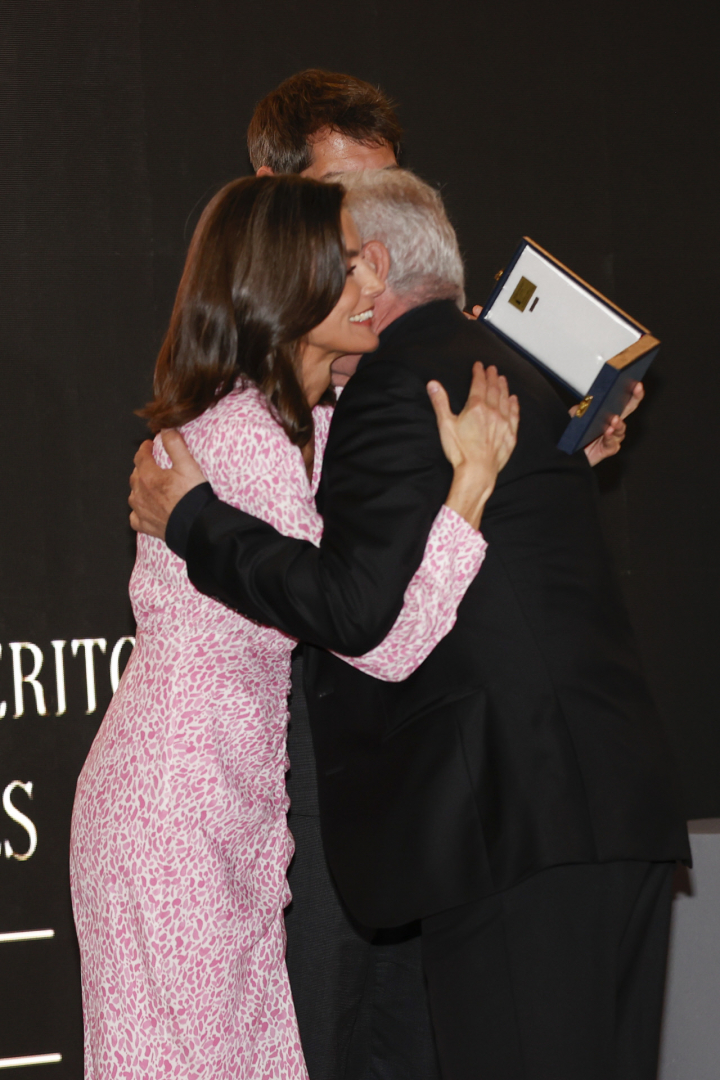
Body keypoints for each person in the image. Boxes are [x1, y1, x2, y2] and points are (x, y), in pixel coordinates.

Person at [129, 167, 690, 1080]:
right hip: (609, 810)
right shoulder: (513, 379)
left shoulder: (397, 386)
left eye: (350, 259)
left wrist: (193, 519)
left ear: (374, 266)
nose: (345, 276)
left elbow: (357, 610)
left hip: (517, 827)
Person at [70, 173, 518, 1079]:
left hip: (222, 812)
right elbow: (379, 641)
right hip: (177, 816)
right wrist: (470, 487)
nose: (371, 282)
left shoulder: (296, 427)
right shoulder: (239, 438)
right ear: (290, 279)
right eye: (349, 264)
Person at [248, 69, 646, 1080]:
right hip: (329, 746)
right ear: (274, 196)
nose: (362, 260)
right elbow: (346, 590)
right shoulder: (248, 371)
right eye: (343, 219)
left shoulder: (429, 366)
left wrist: (557, 449)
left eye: (379, 215)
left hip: (466, 782)